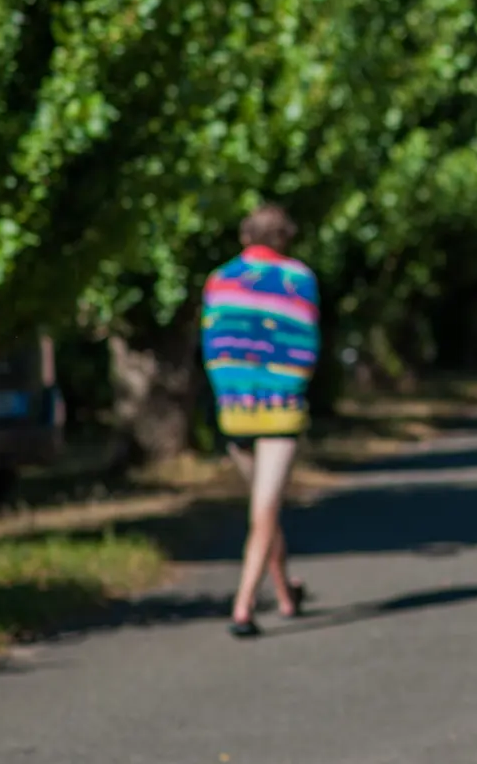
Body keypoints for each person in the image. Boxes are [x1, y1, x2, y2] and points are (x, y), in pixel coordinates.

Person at [201, 204, 319, 638]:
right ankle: (244, 606)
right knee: (265, 511)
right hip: (280, 408)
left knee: (262, 509)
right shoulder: (298, 278)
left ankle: (283, 594)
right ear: (285, 237)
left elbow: (215, 342)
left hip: (234, 409)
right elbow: (303, 342)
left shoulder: (219, 279)